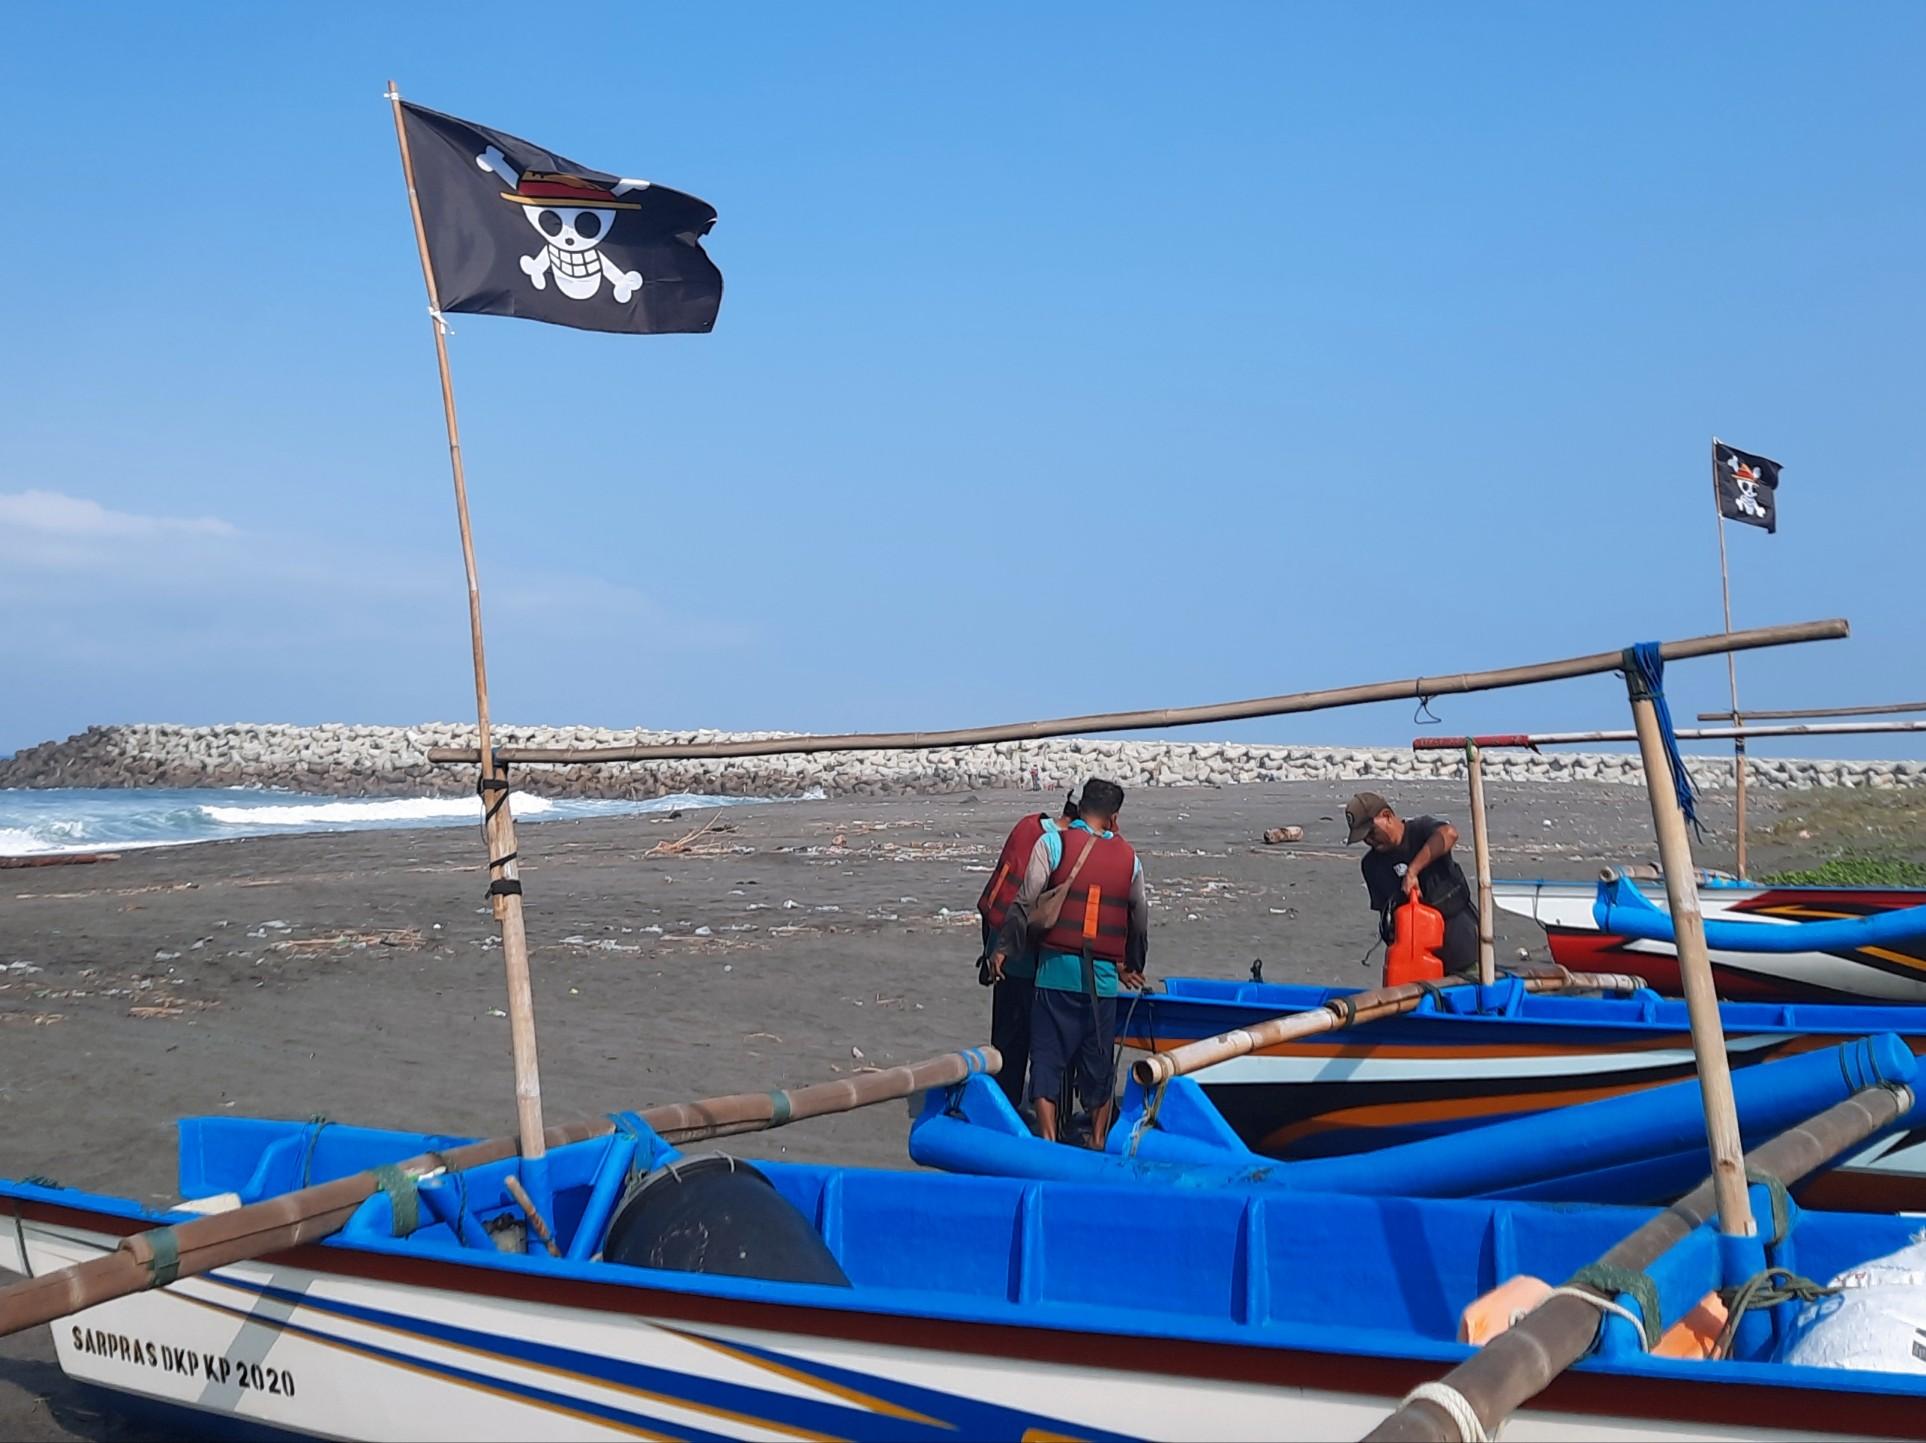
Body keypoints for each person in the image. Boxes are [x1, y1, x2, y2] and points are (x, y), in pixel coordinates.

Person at [993, 778, 1149, 1147]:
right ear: (1114, 818)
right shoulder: (1131, 859)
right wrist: (1132, 963)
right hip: (1103, 981)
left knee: (1046, 1059)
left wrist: (1004, 948)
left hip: (1053, 972)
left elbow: (1024, 900)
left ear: (1079, 809)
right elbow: (1138, 917)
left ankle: (1047, 1139)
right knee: (1099, 1062)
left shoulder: (1052, 843)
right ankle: (1098, 1140)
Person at [977, 792, 1079, 1108]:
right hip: (1033, 963)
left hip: (1001, 952)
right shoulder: (1062, 846)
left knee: (1008, 1041)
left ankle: (1003, 1109)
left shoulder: (1029, 826)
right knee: (1048, 1045)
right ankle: (1047, 1122)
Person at [1345, 790, 1478, 977]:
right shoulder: (1371, 865)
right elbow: (1386, 917)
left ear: (1387, 816)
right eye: (1364, 838)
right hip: (1415, 959)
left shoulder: (1420, 831)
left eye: (1372, 832)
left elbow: (1449, 834)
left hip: (1461, 944)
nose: (1370, 841)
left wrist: (1412, 871)